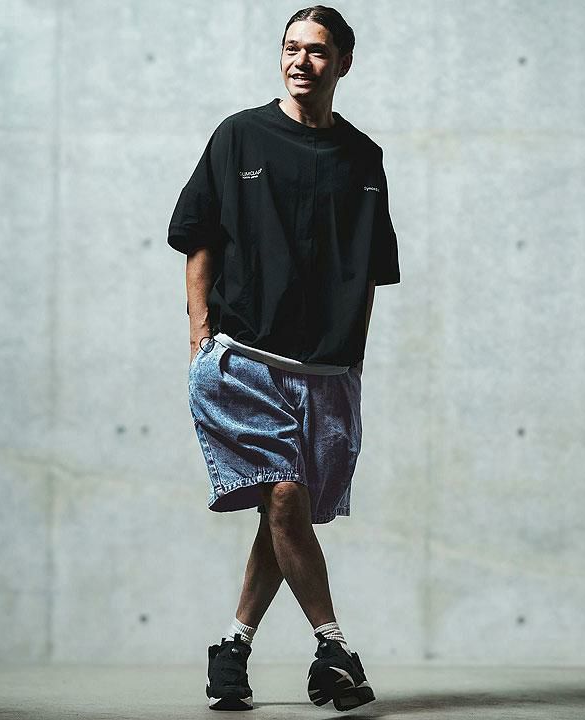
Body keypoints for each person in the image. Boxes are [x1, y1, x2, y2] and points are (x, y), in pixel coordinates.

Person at [167, 5, 400, 712]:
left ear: (344, 63)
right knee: (286, 496)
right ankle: (334, 647)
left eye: (317, 50)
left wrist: (353, 359)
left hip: (327, 371)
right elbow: (199, 234)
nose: (301, 61)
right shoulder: (240, 134)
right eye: (290, 48)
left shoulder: (363, 157)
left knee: (282, 510)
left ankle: (231, 648)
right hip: (245, 360)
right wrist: (200, 333)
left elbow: (370, 270)